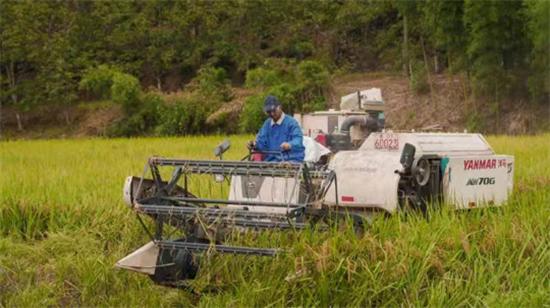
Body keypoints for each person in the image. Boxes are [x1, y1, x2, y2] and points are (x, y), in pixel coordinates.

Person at [247, 95, 305, 162]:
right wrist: (254, 144)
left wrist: (289, 145)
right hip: (271, 162)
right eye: (268, 112)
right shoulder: (267, 124)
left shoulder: (291, 123)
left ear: (280, 107)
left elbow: (298, 140)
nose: (272, 114)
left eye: (274, 110)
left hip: (290, 160)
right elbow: (261, 143)